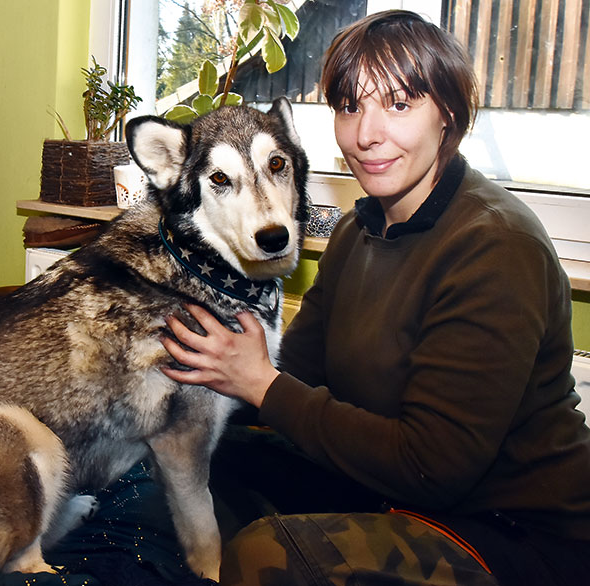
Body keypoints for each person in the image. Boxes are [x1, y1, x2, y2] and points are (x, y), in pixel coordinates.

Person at [160, 9, 590, 586]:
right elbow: (301, 376)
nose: (366, 134)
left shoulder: (495, 247)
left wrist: (259, 381)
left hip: (509, 534)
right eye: (349, 106)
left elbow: (431, 469)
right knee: (194, 467)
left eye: (399, 104)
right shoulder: (356, 230)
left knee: (269, 555)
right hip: (383, 488)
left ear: (450, 114)